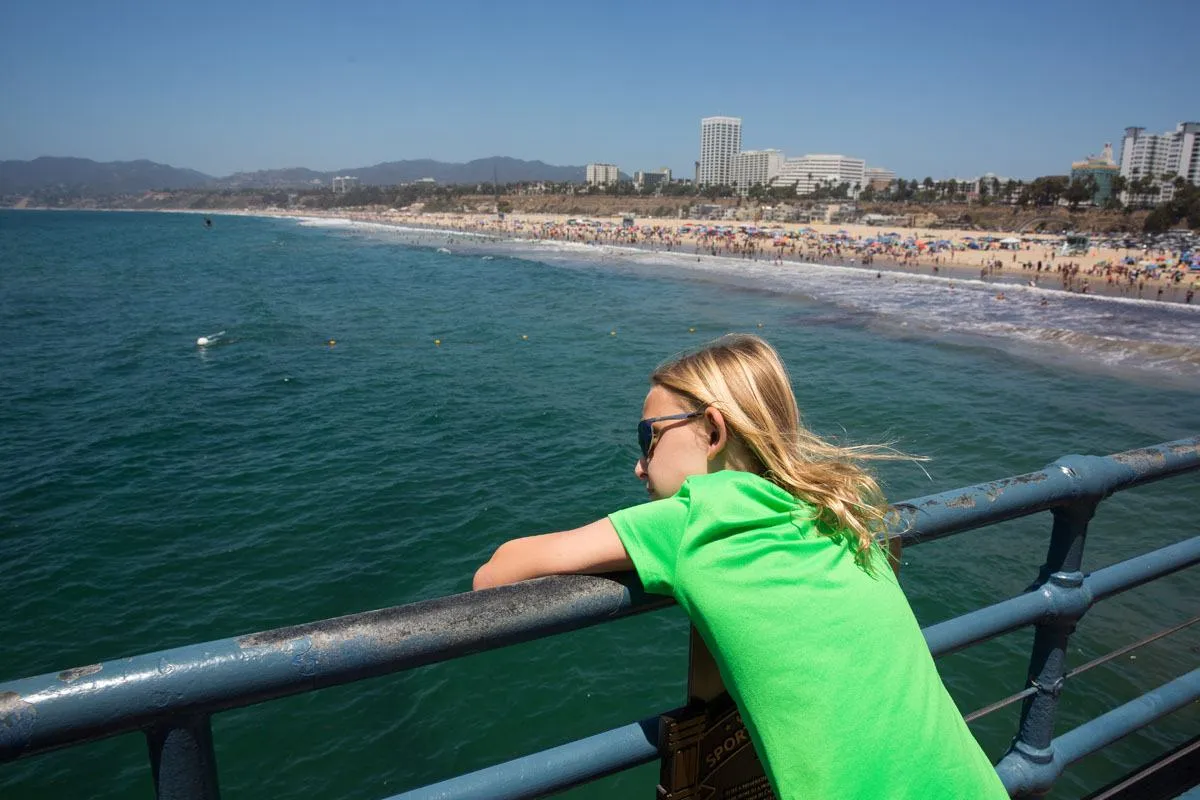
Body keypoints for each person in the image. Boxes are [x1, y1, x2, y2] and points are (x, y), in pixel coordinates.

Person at [473, 334, 1007, 800]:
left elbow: (496, 573)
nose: (639, 464)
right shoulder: (837, 508)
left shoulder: (693, 520)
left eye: (648, 437)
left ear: (712, 430)